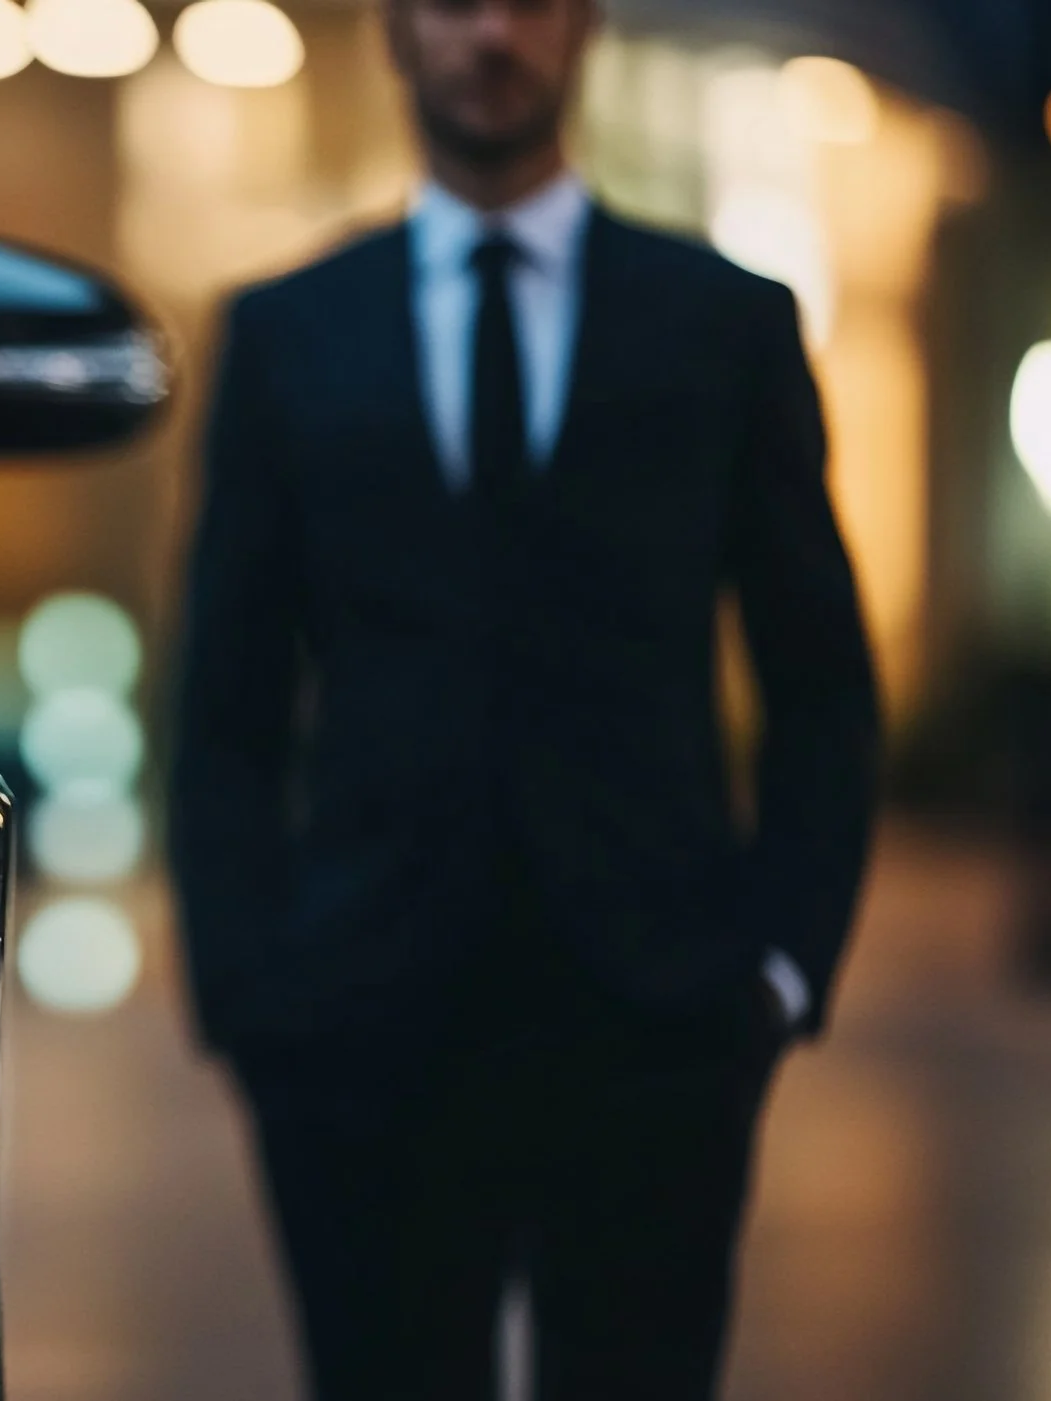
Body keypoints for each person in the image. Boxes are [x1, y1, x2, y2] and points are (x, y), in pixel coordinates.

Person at [167, 0, 881, 1396]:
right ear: (393, 32)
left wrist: (779, 971)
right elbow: (224, 704)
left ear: (584, 30)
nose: (491, 34)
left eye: (530, 3)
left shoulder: (726, 324)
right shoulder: (288, 332)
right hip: (360, 1034)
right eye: (451, 3)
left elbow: (823, 688)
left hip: (657, 1023)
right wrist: (250, 993)